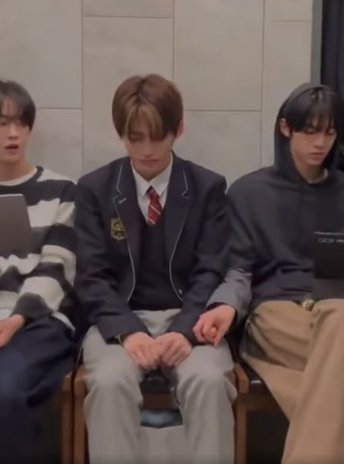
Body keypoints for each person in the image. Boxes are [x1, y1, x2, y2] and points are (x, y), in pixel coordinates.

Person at [194, 83, 344, 464]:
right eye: (310, 131)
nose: (320, 143)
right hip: (277, 310)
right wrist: (226, 306)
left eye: (329, 132)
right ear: (285, 128)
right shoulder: (249, 193)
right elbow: (239, 268)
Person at [75, 73, 236, 464]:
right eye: (135, 138)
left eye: (157, 137)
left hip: (190, 317)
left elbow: (210, 271)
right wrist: (128, 331)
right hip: (119, 321)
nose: (146, 150)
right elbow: (92, 276)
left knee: (209, 381)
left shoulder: (207, 187)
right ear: (120, 133)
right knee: (109, 382)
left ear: (178, 129)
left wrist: (185, 330)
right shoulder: (95, 189)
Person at [0, 79, 76, 463]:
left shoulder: (61, 190)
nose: (13, 133)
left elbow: (57, 267)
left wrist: (16, 319)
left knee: (5, 390)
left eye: (21, 123)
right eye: (2, 123)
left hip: (38, 322)